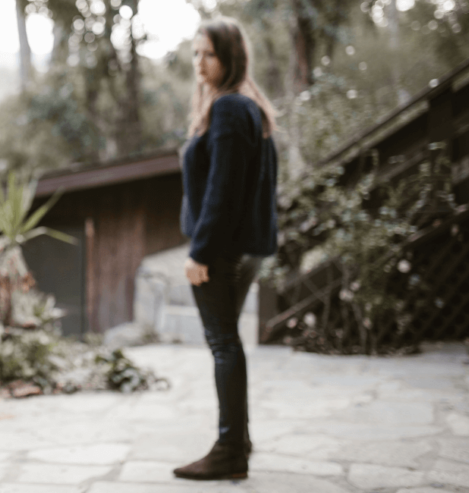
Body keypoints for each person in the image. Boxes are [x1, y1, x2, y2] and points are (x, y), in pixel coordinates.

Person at [172, 18, 279, 481]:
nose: (199, 62)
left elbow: (224, 191)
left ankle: (230, 449)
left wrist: (201, 252)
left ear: (231, 58)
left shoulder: (232, 109)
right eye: (196, 53)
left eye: (209, 54)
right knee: (227, 343)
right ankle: (238, 441)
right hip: (240, 248)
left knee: (223, 344)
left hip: (223, 252)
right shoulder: (243, 106)